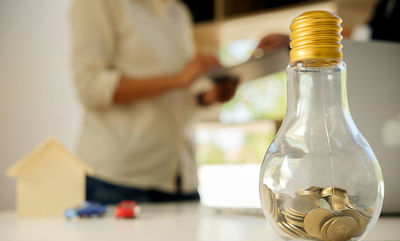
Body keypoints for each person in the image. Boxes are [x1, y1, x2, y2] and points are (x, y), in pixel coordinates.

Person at [70, 0, 287, 204]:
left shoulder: (178, 13)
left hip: (183, 180)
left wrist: (209, 95)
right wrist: (179, 79)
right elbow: (90, 87)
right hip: (117, 182)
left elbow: (180, 93)